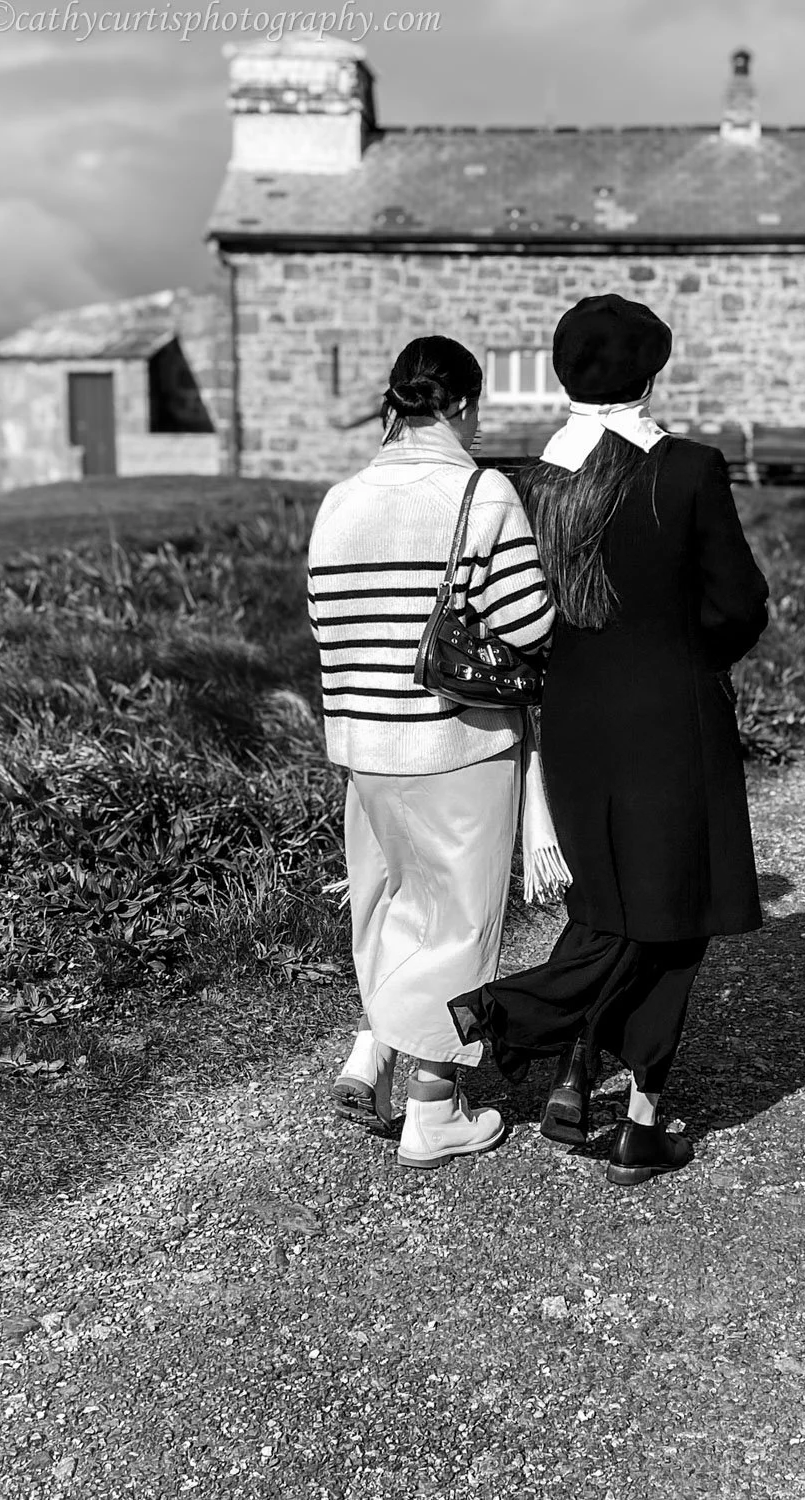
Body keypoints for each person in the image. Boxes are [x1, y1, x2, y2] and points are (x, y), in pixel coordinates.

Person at [449, 294, 770, 1187]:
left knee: (607, 904)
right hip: (670, 715)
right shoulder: (687, 470)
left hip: (572, 720)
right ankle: (605, 1089)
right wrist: (691, 656)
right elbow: (739, 603)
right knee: (671, 916)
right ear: (652, 369)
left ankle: (577, 1069)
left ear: (559, 369)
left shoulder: (522, 479)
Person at [307, 335, 555, 1170]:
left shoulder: (340, 499)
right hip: (457, 739)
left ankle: (372, 1049)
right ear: (459, 406)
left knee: (383, 908)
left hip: (363, 743)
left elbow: (325, 625)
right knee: (457, 923)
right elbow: (530, 626)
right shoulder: (480, 493)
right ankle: (434, 1110)